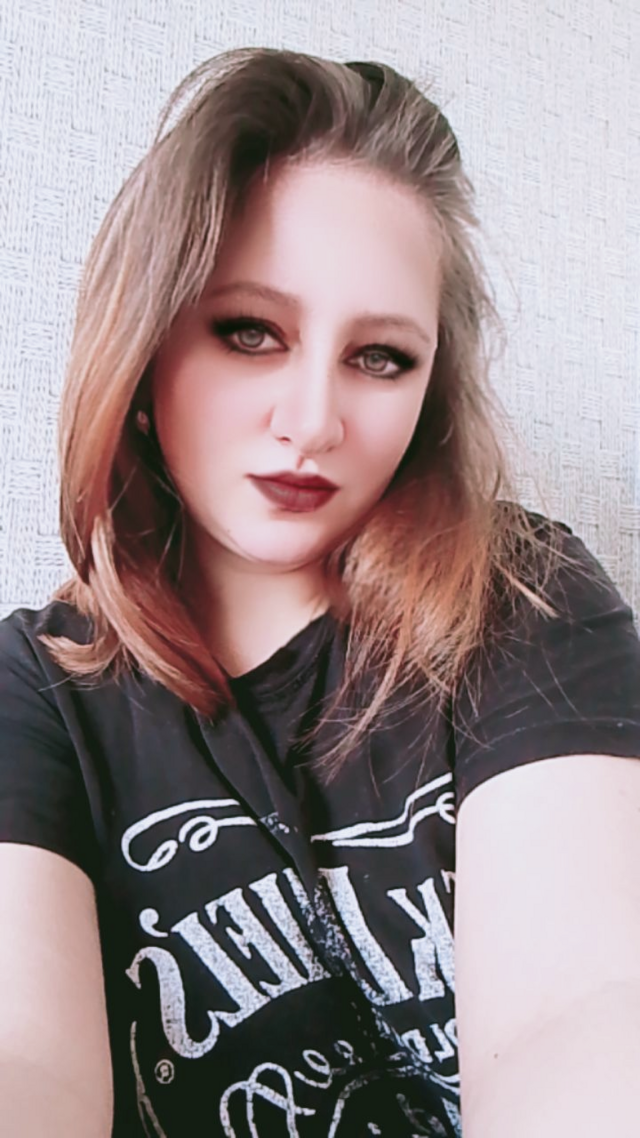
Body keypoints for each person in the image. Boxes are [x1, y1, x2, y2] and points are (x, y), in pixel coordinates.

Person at [0, 45, 639, 1138]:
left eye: (381, 356)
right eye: (249, 332)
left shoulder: (519, 596)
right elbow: (27, 1065)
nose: (313, 421)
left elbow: (585, 1010)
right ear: (143, 351)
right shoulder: (38, 695)